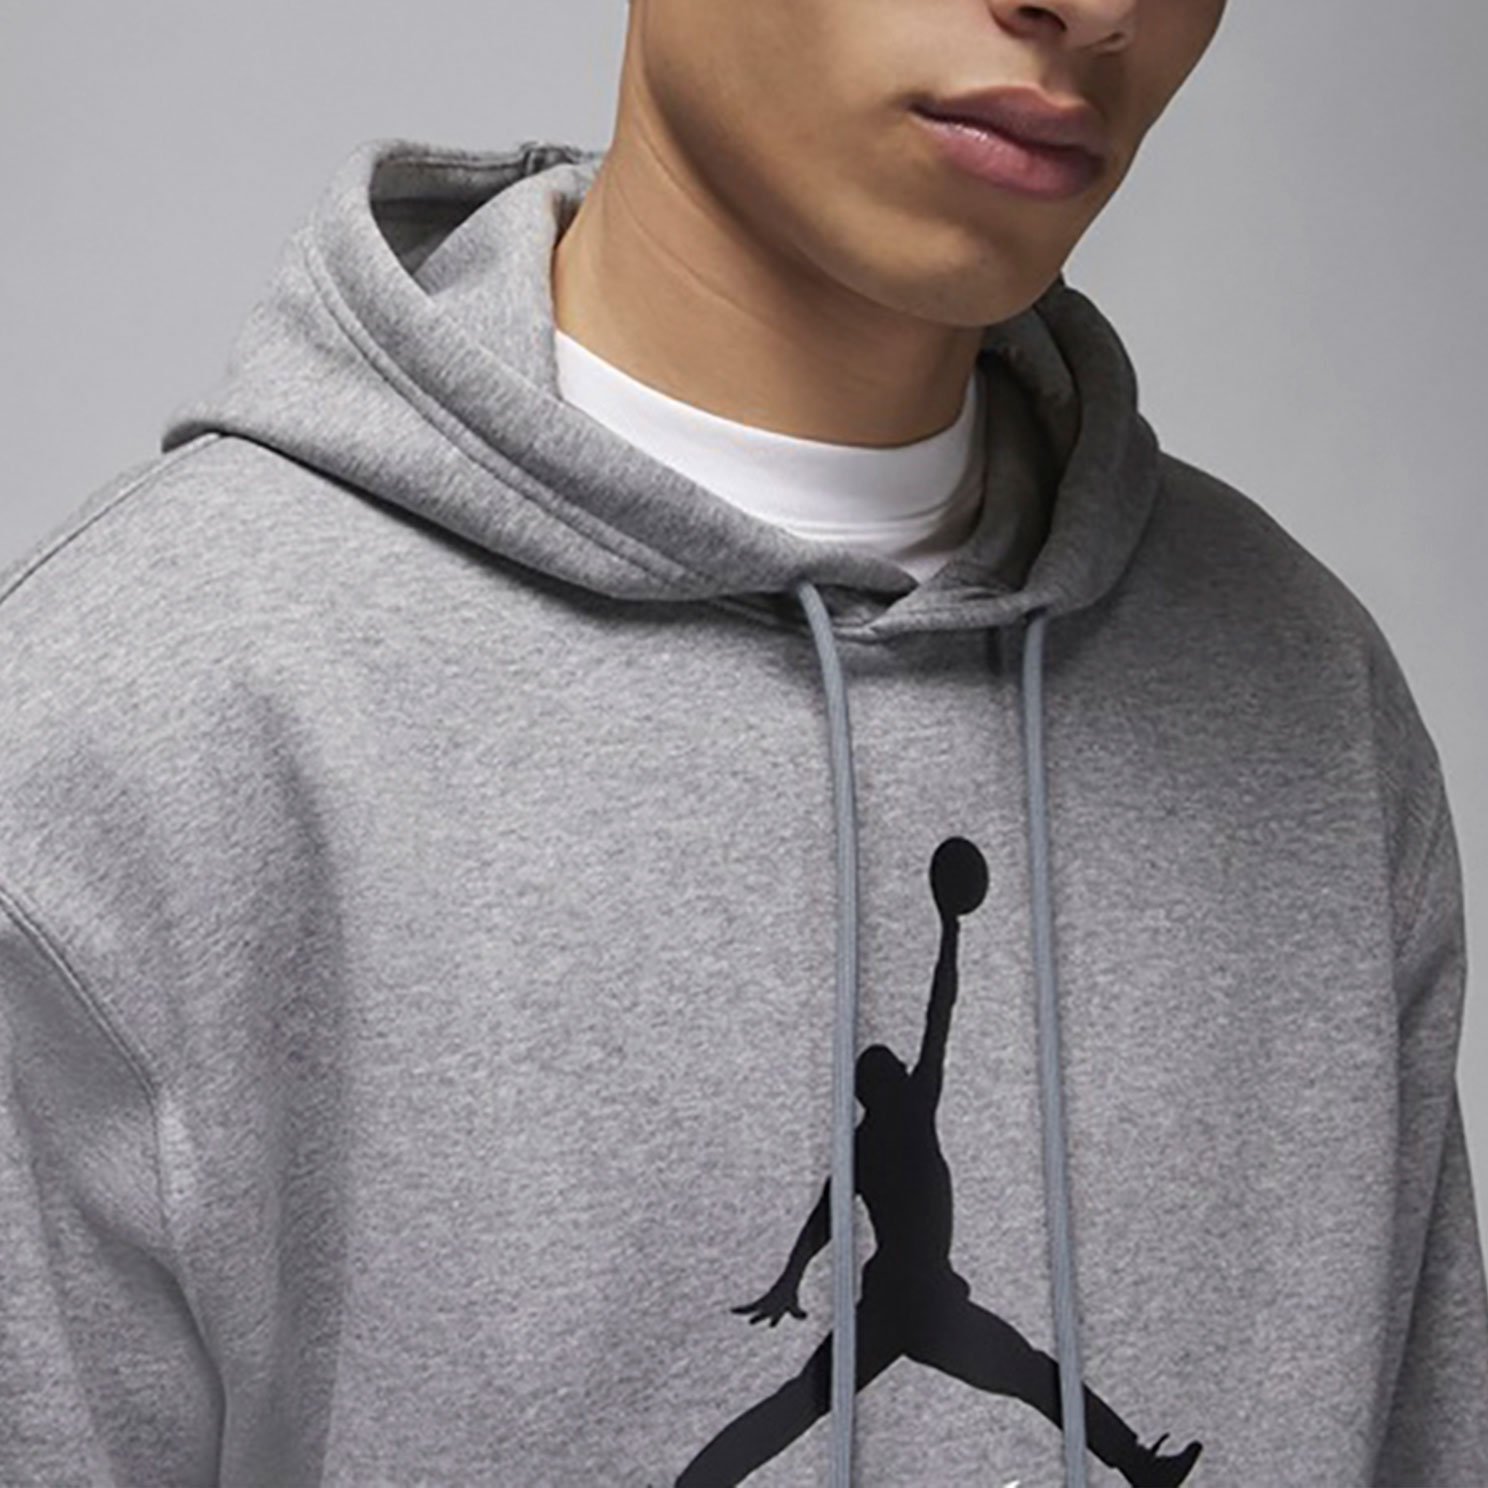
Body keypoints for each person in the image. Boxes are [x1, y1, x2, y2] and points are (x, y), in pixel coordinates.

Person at [1, 0, 1483, 1483]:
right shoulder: (131, 735)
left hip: (914, 1298)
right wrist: (790, 1281)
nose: (1097, 8)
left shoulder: (1313, 703)